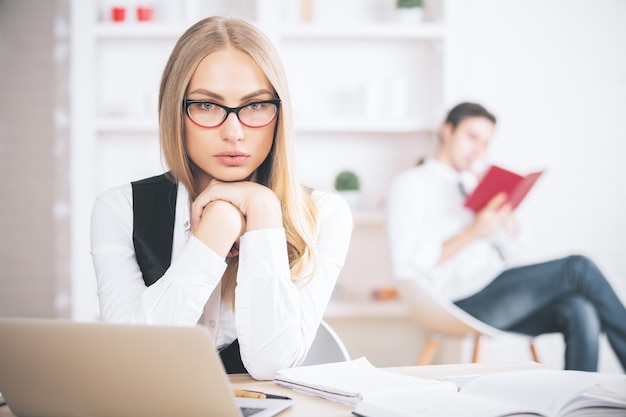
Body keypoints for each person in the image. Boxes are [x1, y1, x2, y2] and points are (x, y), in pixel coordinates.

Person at [90, 16, 353, 380]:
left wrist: (262, 210)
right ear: (175, 111)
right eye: (208, 105)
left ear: (280, 114)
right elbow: (136, 362)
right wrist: (217, 229)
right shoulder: (119, 209)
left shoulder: (325, 214)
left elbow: (271, 362)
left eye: (256, 105)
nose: (234, 132)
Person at [386, 102, 626, 372]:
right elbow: (406, 264)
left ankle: (579, 408)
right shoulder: (411, 185)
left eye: (485, 142)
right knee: (577, 267)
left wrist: (506, 215)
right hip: (458, 300)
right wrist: (473, 232)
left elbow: (515, 255)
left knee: (580, 308)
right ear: (447, 130)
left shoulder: (471, 183)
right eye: (472, 137)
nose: (477, 150)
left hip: (497, 290)